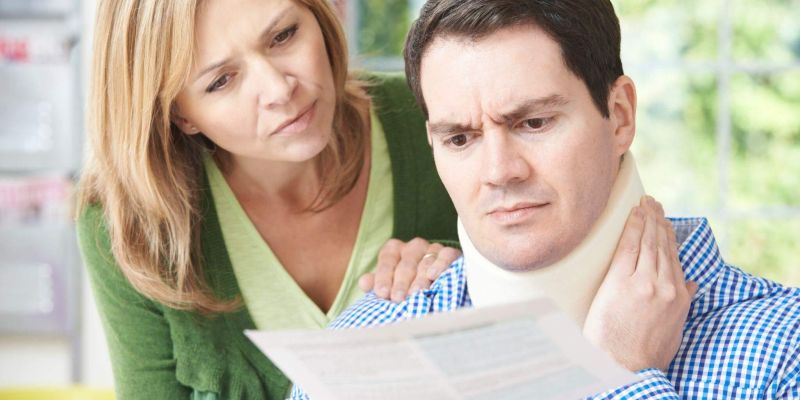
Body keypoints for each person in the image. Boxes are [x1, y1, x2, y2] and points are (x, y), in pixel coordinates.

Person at [292, 0, 800, 399]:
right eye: (460, 139)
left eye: (533, 123)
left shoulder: (783, 353)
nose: (499, 172)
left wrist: (619, 381)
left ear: (620, 116)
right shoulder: (349, 364)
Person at [75, 0, 464, 399]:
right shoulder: (127, 224)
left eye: (283, 36)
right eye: (221, 81)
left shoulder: (440, 120)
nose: (279, 90)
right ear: (179, 114)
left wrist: (472, 277)